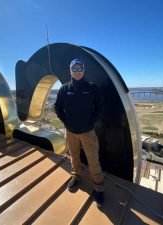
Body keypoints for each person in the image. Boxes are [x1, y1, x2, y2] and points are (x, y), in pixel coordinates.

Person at [54, 58, 104, 207]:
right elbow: (58, 107)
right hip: (70, 132)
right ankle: (76, 176)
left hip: (88, 132)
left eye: (80, 68)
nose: (77, 71)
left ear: (84, 70)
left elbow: (99, 108)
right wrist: (66, 122)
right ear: (70, 70)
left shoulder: (92, 88)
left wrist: (91, 123)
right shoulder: (64, 89)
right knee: (74, 156)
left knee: (93, 160)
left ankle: (99, 188)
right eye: (74, 68)